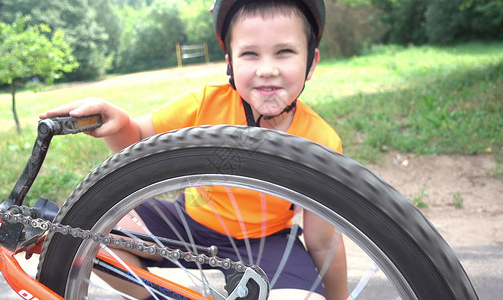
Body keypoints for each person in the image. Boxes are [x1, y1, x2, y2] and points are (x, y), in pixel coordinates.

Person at [40, 0, 348, 299]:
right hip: (189, 225)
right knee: (85, 229)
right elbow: (137, 141)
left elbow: (323, 242)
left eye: (284, 52)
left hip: (267, 241)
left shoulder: (320, 140)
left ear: (311, 62)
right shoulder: (204, 104)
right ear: (230, 62)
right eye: (250, 54)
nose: (267, 69)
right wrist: (119, 123)